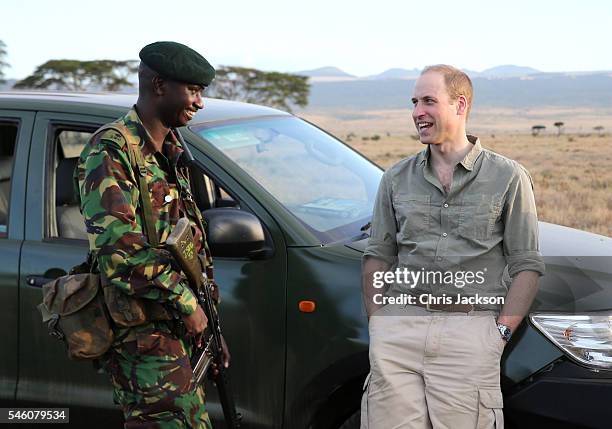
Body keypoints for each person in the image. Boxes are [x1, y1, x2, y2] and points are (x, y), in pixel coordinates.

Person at [360, 64, 545, 428]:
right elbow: (377, 255)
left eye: (429, 101)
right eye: (414, 102)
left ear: (460, 105)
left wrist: (499, 334)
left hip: (470, 334)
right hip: (399, 330)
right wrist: (379, 322)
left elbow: (527, 264)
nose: (417, 112)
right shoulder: (395, 178)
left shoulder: (508, 177)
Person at [75, 41, 229, 429]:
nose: (199, 102)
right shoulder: (111, 150)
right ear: (159, 84)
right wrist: (187, 305)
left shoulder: (173, 152)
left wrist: (210, 324)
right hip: (142, 339)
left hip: (179, 333)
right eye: (192, 91)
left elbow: (186, 246)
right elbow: (120, 256)